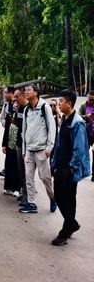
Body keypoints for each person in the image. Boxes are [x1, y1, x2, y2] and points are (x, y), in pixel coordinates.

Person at [50, 88, 91, 245]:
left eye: (61, 101)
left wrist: (72, 167)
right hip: (60, 166)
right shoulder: (65, 120)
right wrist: (54, 163)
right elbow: (60, 144)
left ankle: (65, 232)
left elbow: (80, 148)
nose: (59, 103)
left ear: (69, 103)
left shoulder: (77, 123)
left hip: (68, 168)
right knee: (59, 197)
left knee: (68, 198)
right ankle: (72, 223)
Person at [21, 82, 56, 214]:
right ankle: (31, 203)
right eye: (25, 90)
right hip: (29, 150)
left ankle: (53, 198)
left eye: (28, 90)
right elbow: (24, 131)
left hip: (42, 149)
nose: (26, 92)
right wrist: (24, 149)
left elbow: (51, 128)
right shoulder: (26, 109)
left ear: (36, 92)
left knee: (45, 178)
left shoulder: (44, 107)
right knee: (28, 177)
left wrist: (49, 148)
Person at [79, 90, 94, 180]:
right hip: (86, 133)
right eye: (89, 99)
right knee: (84, 153)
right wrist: (86, 117)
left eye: (92, 99)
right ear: (87, 97)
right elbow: (78, 117)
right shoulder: (83, 106)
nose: (91, 101)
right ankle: (83, 171)